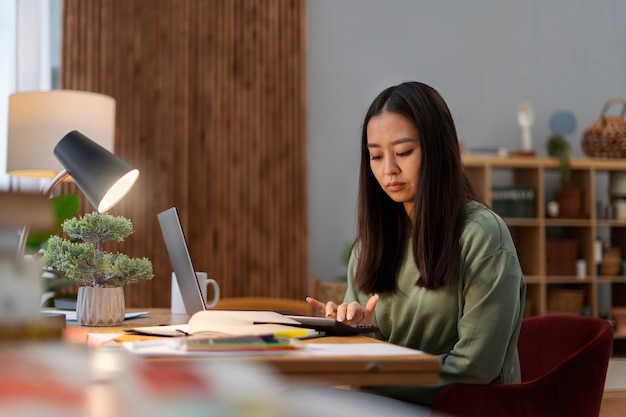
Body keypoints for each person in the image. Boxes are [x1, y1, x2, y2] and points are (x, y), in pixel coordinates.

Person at [307, 81, 526, 406]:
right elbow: (368, 355)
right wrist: (359, 329)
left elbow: (476, 367)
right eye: (376, 156)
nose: (388, 170)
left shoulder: (482, 236)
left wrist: (375, 382)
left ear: (438, 150)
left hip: (462, 409)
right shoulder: (370, 247)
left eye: (404, 152)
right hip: (385, 404)